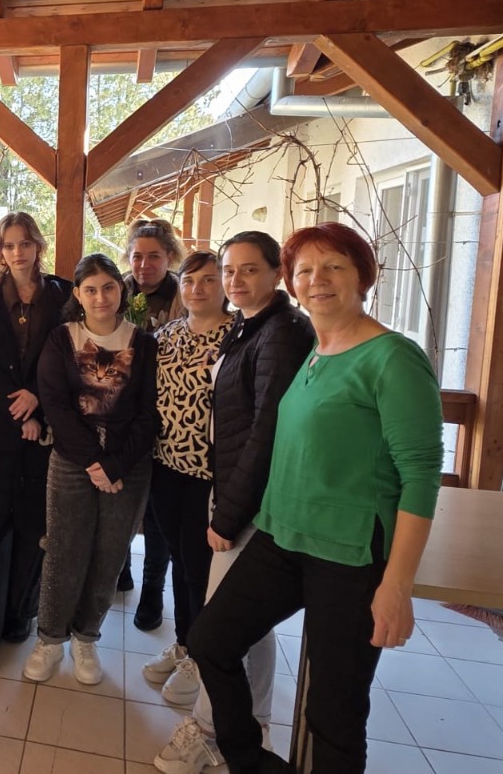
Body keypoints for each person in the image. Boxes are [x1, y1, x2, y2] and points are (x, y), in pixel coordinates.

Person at [185, 222, 443, 774]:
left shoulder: (392, 358)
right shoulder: (316, 351)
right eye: (304, 270)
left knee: (334, 712)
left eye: (334, 267)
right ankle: (250, 762)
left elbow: (421, 474)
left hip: (350, 554)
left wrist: (397, 585)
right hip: (283, 536)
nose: (317, 279)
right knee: (209, 641)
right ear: (292, 282)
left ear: (362, 277)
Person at [152, 234, 314, 773]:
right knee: (246, 620)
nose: (235, 280)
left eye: (249, 270)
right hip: (232, 493)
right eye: (230, 269)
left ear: (277, 273)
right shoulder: (254, 327)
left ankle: (211, 730)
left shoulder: (282, 332)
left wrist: (227, 513)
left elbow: (264, 432)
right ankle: (252, 721)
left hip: (246, 503)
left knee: (223, 623)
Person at [24, 254, 159, 685]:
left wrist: (115, 464)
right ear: (78, 295)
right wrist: (94, 463)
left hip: (128, 468)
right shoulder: (62, 339)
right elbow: (55, 405)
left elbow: (148, 414)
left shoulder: (144, 343)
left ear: (122, 290)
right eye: (91, 289)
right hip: (71, 462)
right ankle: (50, 639)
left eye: (109, 287)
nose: (101, 297)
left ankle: (86, 638)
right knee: (64, 550)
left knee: (109, 554)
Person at [0, 211, 73, 670]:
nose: (17, 252)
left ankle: (21, 611)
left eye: (25, 242)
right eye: (8, 245)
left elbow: (68, 360)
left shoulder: (63, 297)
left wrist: (38, 404)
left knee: (33, 523)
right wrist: (19, 412)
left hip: (43, 426)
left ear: (38, 246)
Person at [139, 249, 235, 706]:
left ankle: (201, 655)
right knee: (178, 558)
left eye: (209, 280)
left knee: (200, 568)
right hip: (166, 467)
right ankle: (184, 642)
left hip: (209, 475)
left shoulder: (239, 337)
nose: (198, 289)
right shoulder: (166, 336)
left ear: (224, 286)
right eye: (190, 280)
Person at [121, 217, 185, 631]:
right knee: (121, 500)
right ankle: (120, 568)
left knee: (158, 515)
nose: (144, 265)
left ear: (170, 257)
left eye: (154, 257)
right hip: (122, 417)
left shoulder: (184, 294)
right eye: (137, 256)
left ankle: (153, 591)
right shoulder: (117, 289)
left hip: (168, 421)